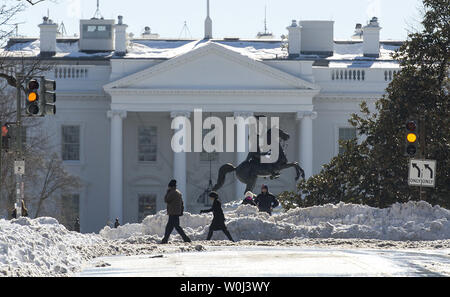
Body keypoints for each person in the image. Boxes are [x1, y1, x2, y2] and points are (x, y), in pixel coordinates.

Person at [161, 179, 191, 244]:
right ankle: (165, 239)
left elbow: (166, 200)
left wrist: (167, 192)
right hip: (176, 212)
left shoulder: (172, 192)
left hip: (173, 212)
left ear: (170, 186)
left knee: (175, 227)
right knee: (170, 227)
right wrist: (181, 211)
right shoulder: (178, 192)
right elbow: (182, 203)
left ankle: (186, 239)